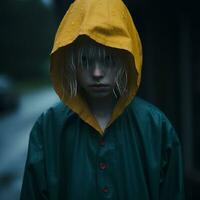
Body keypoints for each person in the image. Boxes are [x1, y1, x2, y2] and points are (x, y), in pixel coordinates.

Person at [20, 0, 185, 199]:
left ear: (126, 59)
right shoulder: (49, 128)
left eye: (108, 59)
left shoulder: (155, 127)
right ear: (70, 63)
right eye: (85, 61)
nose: (97, 73)